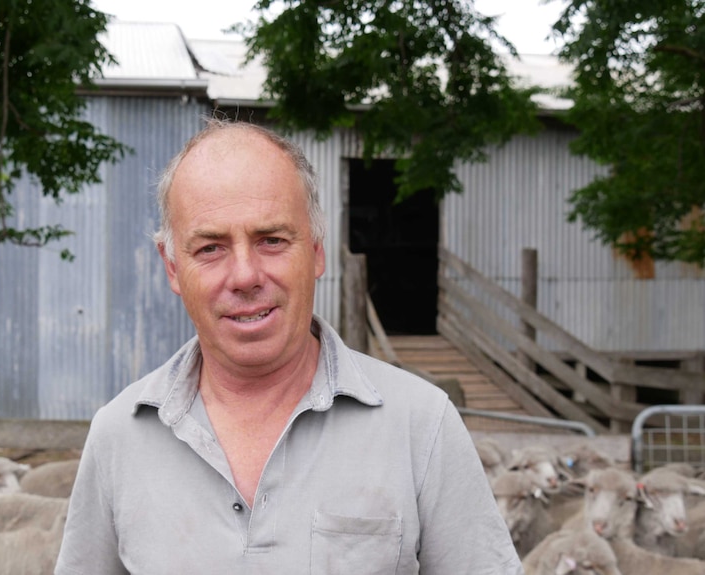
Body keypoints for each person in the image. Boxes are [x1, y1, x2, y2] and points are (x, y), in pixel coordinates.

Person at [55, 119, 523, 574]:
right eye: (210, 248)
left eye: (272, 240)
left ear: (316, 250)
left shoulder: (422, 427)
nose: (244, 276)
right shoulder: (119, 437)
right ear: (173, 267)